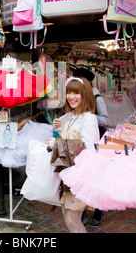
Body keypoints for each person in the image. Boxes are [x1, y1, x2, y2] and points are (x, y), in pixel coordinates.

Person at [46, 76, 99, 233]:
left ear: (85, 94)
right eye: (69, 93)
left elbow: (89, 149)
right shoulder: (72, 116)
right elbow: (70, 140)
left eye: (76, 93)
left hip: (80, 176)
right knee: (67, 216)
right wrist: (58, 134)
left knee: (72, 219)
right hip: (68, 173)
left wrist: (58, 144)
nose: (71, 97)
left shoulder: (89, 118)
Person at [72, 67, 108, 227]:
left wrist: (89, 117)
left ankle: (98, 211)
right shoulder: (78, 97)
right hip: (81, 142)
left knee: (96, 176)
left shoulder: (97, 98)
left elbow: (106, 121)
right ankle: (83, 210)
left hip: (96, 142)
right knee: (82, 177)